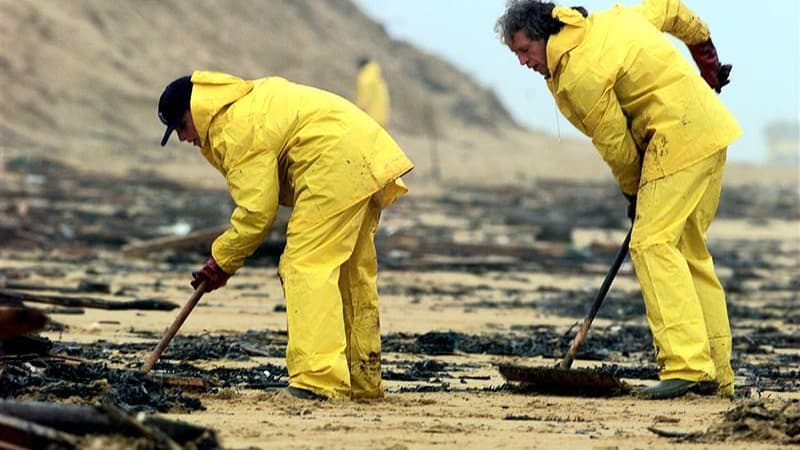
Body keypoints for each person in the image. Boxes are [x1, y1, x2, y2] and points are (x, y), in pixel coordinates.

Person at [496, 0, 742, 399]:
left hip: (676, 139)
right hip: (710, 130)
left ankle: (687, 367)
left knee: (651, 243)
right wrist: (706, 59)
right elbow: (671, 9)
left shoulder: (579, 74)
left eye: (525, 51)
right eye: (516, 54)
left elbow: (615, 144)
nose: (523, 62)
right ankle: (717, 375)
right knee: (688, 250)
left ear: (544, 36)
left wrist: (633, 191)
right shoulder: (613, 20)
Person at [157, 71, 414, 400]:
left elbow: (256, 212)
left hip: (333, 161)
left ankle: (318, 381)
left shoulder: (233, 127)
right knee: (350, 273)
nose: (182, 138)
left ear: (196, 109)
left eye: (181, 127)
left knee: (304, 264)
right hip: (360, 152)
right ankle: (360, 380)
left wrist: (221, 260)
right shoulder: (243, 106)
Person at [355, 57, 390, 128]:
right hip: (381, 115)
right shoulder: (377, 77)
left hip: (370, 115)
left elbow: (364, 97)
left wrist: (359, 109)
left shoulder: (365, 77)